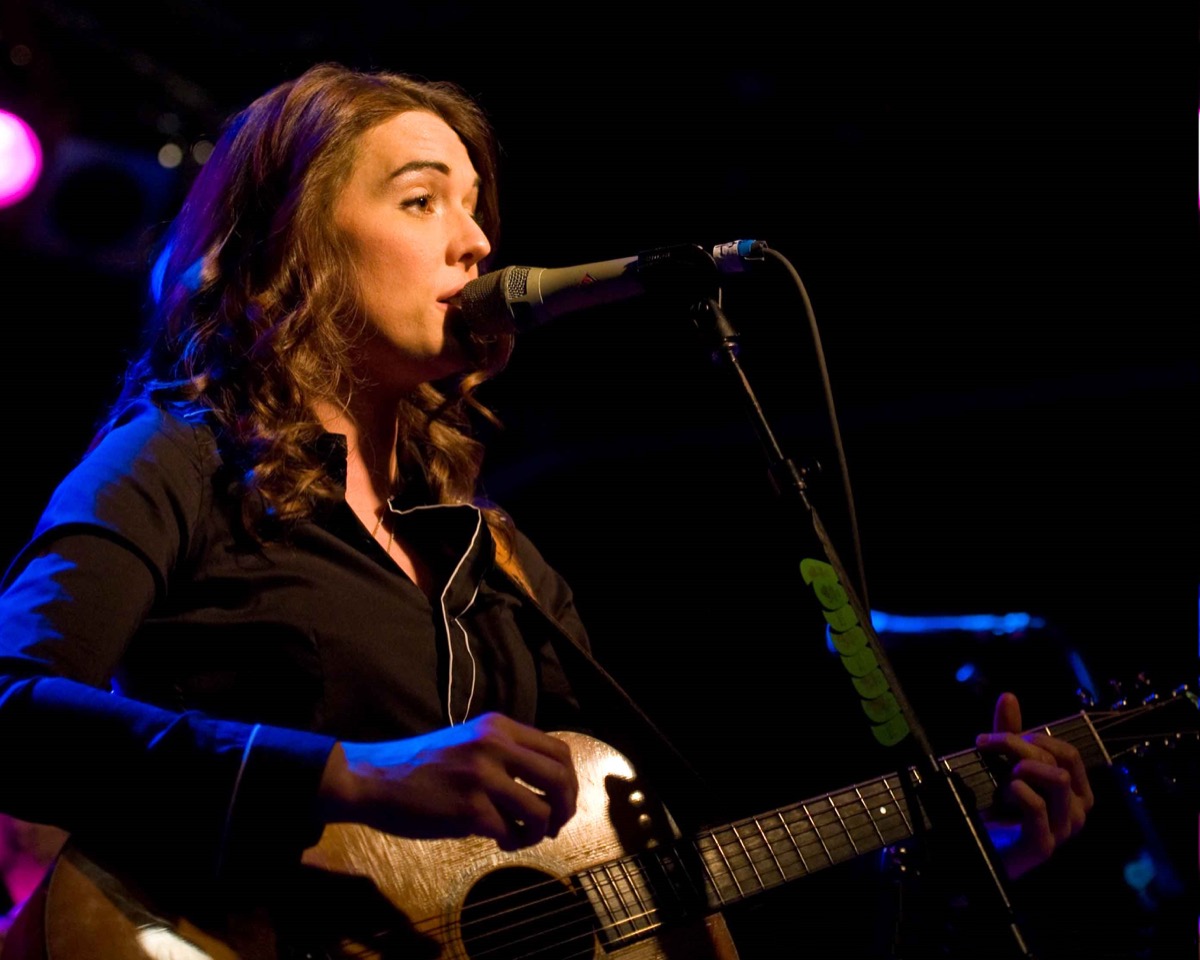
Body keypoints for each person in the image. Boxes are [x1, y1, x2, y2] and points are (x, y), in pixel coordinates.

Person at [0, 62, 1092, 953]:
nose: (475, 242)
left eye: (475, 208)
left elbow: (655, 880)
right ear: (297, 242)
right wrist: (348, 774)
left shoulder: (498, 563)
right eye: (422, 200)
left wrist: (945, 847)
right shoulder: (180, 458)